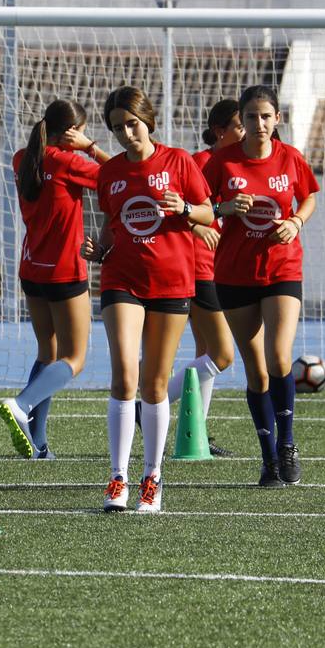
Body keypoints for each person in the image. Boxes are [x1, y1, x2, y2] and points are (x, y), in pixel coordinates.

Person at [81, 86, 215, 513]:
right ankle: (117, 477)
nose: (125, 133)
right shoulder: (109, 173)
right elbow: (111, 222)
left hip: (173, 282)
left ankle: (151, 477)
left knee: (155, 383)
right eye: (117, 127)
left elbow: (208, 212)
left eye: (131, 124)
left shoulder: (179, 161)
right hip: (121, 279)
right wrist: (98, 250)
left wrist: (185, 210)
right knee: (124, 374)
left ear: (148, 121)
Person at [203, 85, 319, 487]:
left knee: (278, 356)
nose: (259, 123)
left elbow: (308, 198)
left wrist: (296, 222)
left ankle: (287, 445)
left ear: (277, 119)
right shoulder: (223, 162)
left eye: (266, 116)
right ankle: (268, 458)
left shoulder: (291, 158)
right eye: (251, 117)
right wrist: (222, 210)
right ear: (242, 120)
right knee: (255, 372)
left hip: (282, 270)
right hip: (234, 274)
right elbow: (197, 208)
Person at [0, 99, 110, 459]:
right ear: (72, 132)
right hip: (65, 271)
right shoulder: (68, 162)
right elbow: (123, 175)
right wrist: (91, 148)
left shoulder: (22, 158)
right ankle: (22, 404)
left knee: (48, 353)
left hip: (32, 270)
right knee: (75, 358)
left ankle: (38, 442)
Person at [165, 99, 242, 456]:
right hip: (199, 267)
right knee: (221, 354)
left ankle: (198, 434)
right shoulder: (201, 162)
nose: (247, 132)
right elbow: (175, 207)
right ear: (219, 131)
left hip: (219, 267)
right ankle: (153, 402)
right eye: (241, 125)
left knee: (207, 352)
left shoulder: (238, 165)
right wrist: (198, 228)